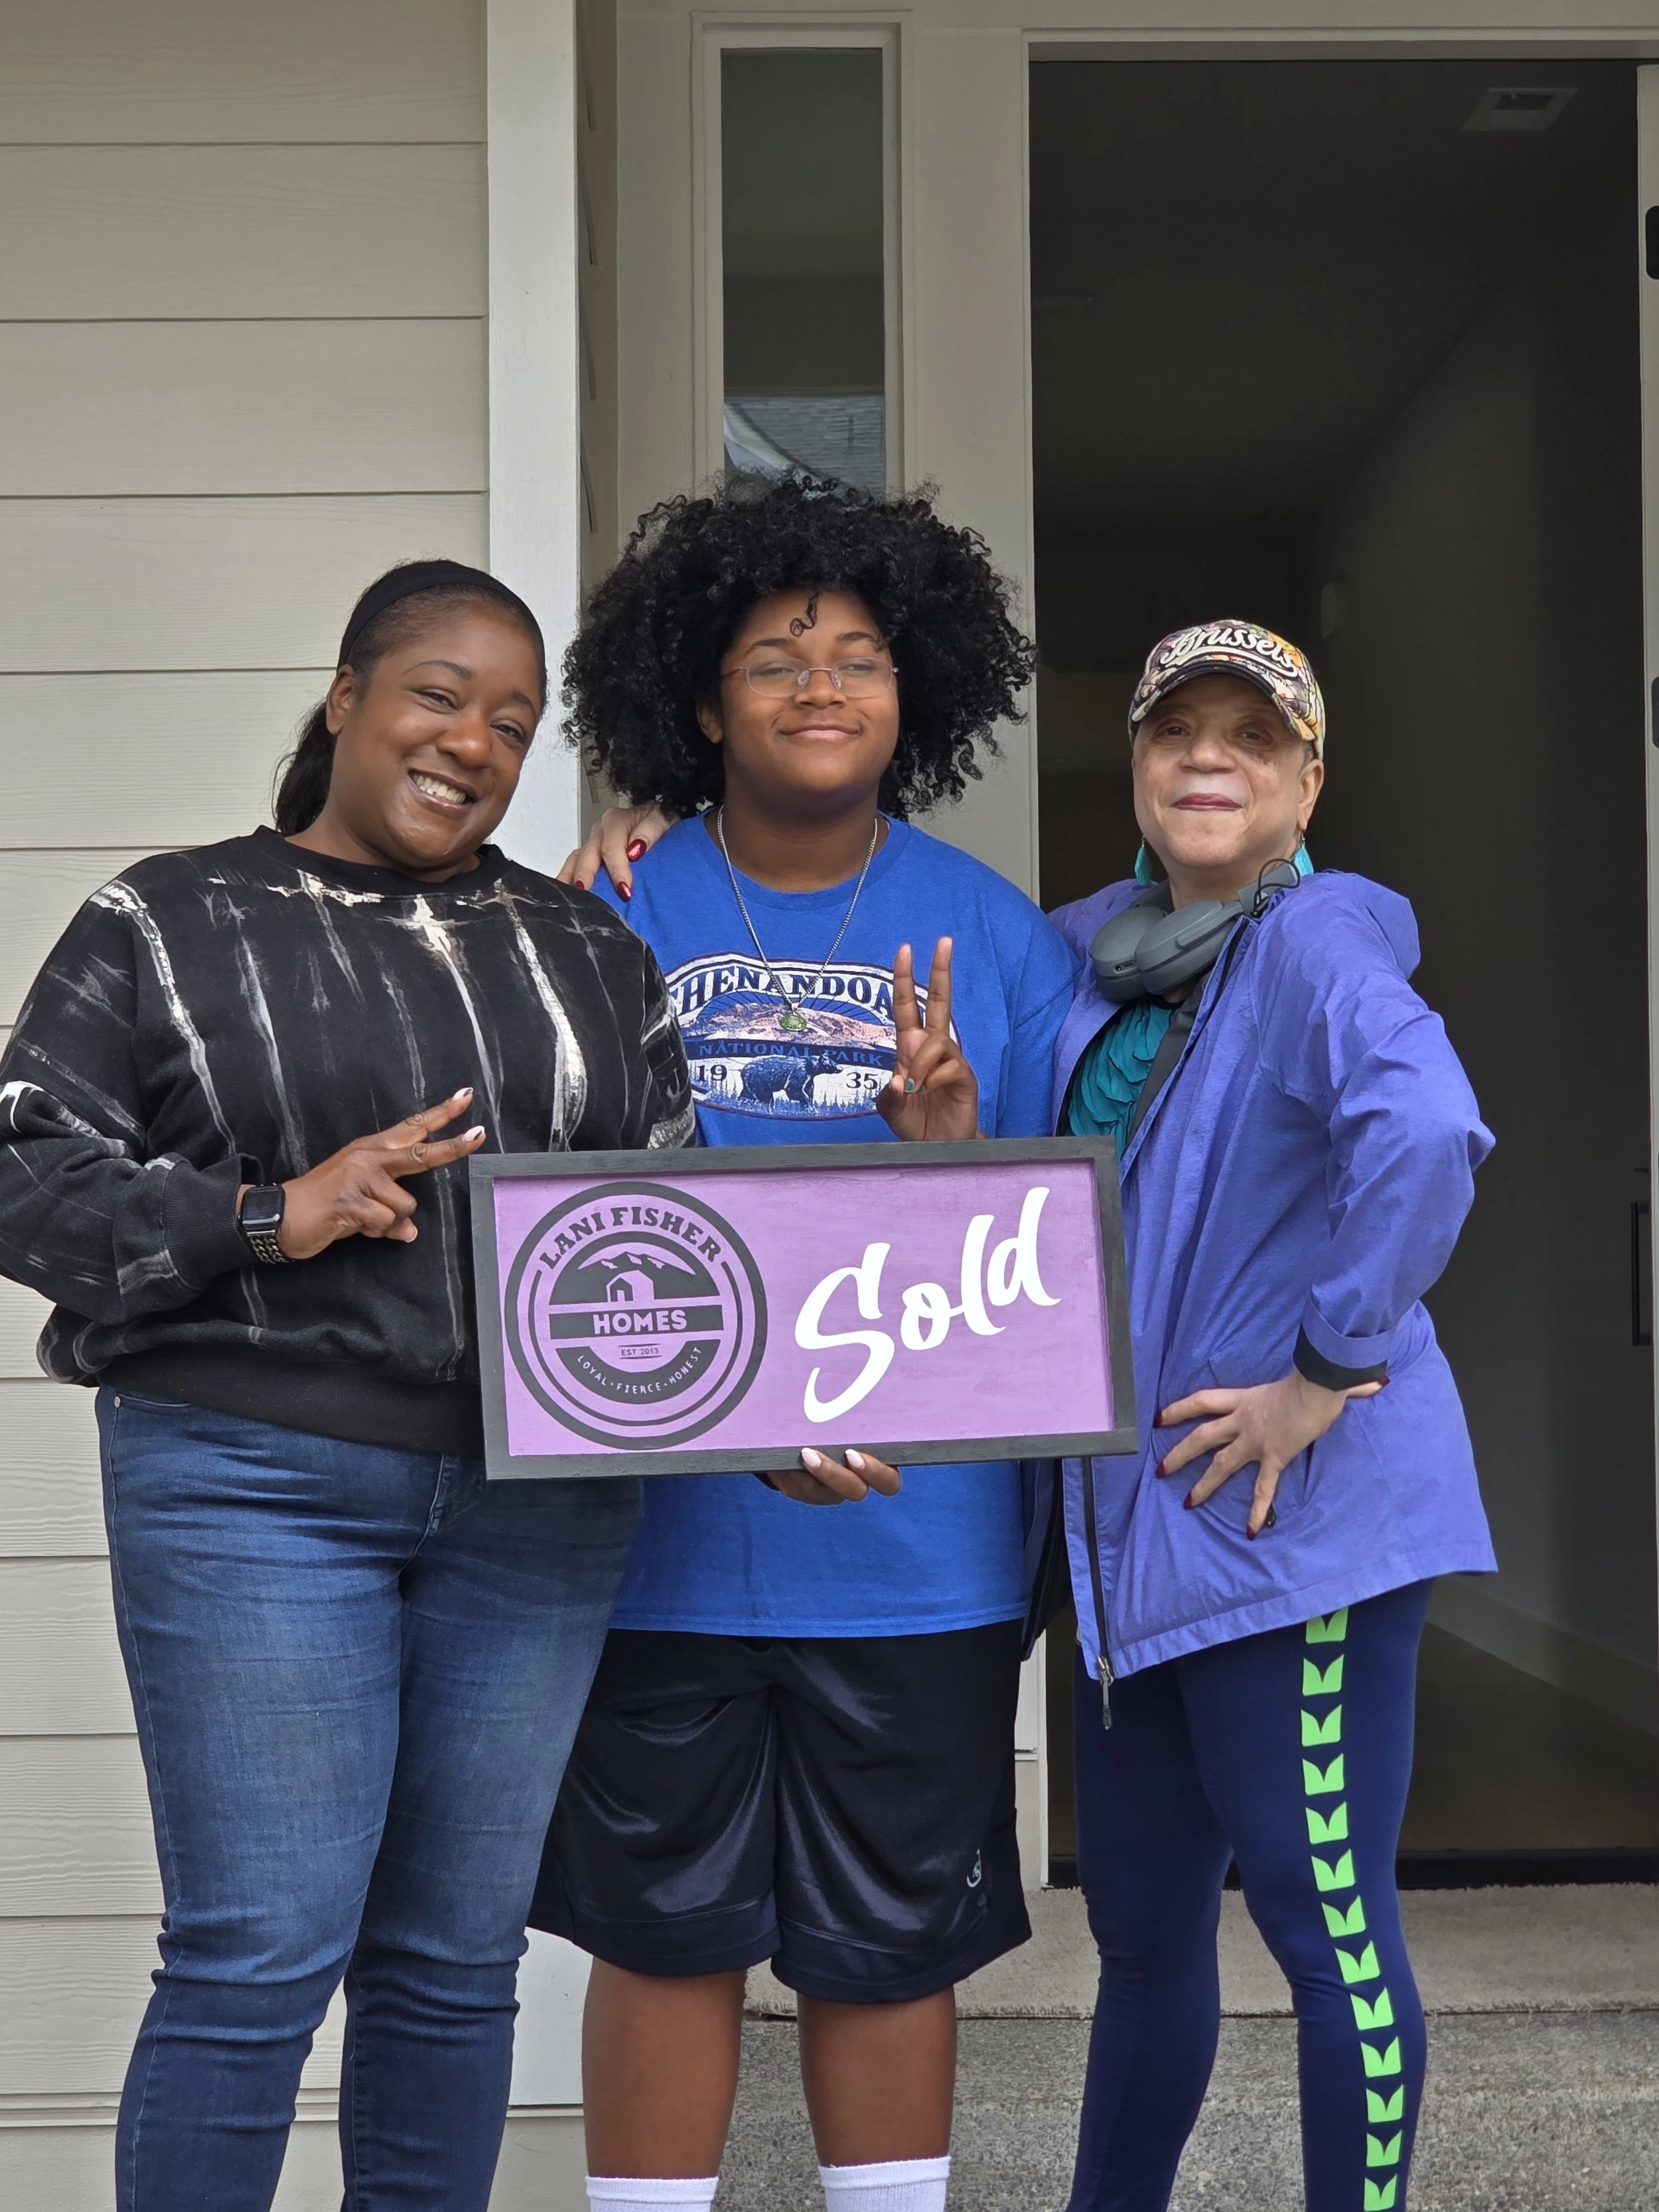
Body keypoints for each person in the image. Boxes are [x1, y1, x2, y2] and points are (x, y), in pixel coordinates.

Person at [0, 560, 698, 2212]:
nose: (473, 741)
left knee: (455, 1965)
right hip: (253, 1475)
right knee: (255, 1960)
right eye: (440, 695)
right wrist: (268, 1208)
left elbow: (665, 1239)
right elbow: (22, 1174)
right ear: (347, 697)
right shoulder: (166, 922)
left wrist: (760, 1421)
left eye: (514, 724)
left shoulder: (586, 953)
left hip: (535, 1509)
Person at [534, 473, 1078, 2212]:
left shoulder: (996, 931)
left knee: (883, 1940)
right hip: (656, 1543)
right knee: (662, 1930)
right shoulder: (604, 909)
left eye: (857, 656)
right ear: (700, 700)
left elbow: (1050, 1265)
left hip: (915, 1556)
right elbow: (555, 1239)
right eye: (776, 658)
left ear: (913, 690)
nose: (822, 686)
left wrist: (949, 1162)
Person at [1047, 619, 1496, 2212]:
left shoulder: (1313, 944)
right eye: (1178, 732)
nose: (1207, 760)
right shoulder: (1089, 947)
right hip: (1131, 1539)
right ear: (1136, 763)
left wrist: (1326, 1369)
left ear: (1307, 781)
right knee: (1143, 1939)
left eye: (1252, 737)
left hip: (1286, 1528)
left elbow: (1429, 1130)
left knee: (1326, 1935)